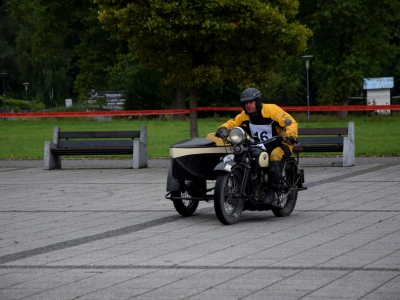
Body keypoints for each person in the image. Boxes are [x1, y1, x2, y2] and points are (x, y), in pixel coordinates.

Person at [216, 87, 298, 205]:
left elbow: (291, 122)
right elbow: (232, 123)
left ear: (258, 101)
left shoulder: (271, 110)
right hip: (259, 146)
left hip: (279, 144)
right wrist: (222, 129)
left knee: (275, 155)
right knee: (242, 154)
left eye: (251, 102)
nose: (248, 105)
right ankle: (246, 188)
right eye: (246, 103)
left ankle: (273, 192)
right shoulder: (244, 115)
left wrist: (290, 136)